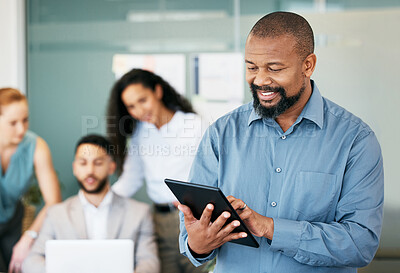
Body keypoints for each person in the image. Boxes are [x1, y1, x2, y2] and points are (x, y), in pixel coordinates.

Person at [178, 11, 384, 273]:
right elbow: (192, 240)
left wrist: (271, 228)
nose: (261, 80)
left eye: (274, 68)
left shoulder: (355, 140)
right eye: (252, 67)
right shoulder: (221, 134)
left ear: (308, 65)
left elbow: (360, 244)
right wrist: (198, 244)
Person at [107, 69, 205, 273]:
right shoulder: (140, 134)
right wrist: (100, 201)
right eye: (131, 106)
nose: (139, 111)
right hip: (159, 222)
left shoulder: (195, 126)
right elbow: (130, 180)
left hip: (194, 218)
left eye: (143, 100)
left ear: (158, 91)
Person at [22, 134, 160, 273]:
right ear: (75, 168)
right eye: (83, 163)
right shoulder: (56, 214)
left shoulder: (139, 213)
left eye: (98, 163)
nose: (90, 171)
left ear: (111, 167)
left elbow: (149, 262)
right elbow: (31, 261)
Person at [0, 88, 61, 273]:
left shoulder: (36, 146)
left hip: (12, 221)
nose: (21, 129)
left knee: (22, 266)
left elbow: (54, 201)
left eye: (25, 120)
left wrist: (29, 237)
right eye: (13, 123)